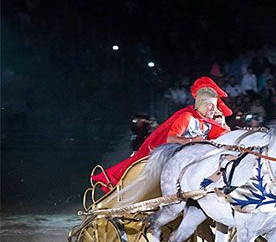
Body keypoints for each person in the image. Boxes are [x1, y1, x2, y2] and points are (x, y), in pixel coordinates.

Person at [91, 77, 231, 190]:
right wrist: (192, 140)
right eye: (210, 106)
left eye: (215, 106)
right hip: (174, 154)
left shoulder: (208, 123)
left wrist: (222, 122)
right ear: (202, 104)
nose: (214, 109)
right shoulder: (187, 116)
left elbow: (226, 136)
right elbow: (171, 138)